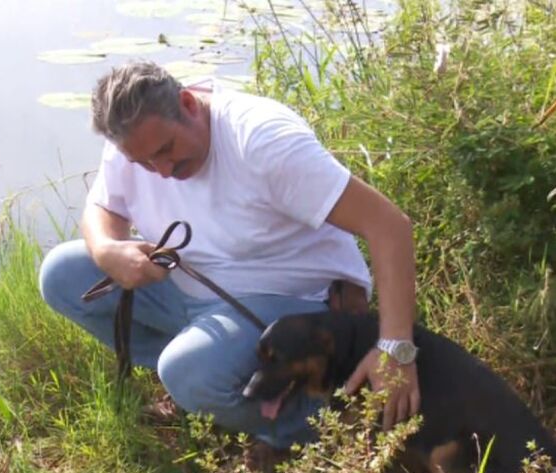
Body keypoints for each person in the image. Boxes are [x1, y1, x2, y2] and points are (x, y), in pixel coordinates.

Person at [39, 60, 419, 449]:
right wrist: (107, 251)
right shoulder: (134, 137)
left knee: (187, 371)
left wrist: (396, 350)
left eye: (166, 150)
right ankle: (209, 387)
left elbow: (389, 226)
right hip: (185, 289)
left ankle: (317, 426)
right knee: (60, 275)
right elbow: (103, 209)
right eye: (144, 163)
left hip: (289, 302)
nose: (163, 171)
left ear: (188, 104)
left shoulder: (261, 141)